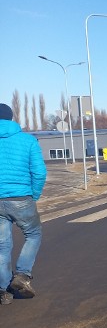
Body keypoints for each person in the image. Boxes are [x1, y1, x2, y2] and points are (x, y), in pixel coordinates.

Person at [0, 103, 47, 305]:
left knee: (2, 246)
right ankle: (22, 275)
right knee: (33, 234)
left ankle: (3, 291)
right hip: (21, 198)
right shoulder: (27, 141)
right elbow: (39, 172)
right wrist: (34, 195)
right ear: (11, 118)